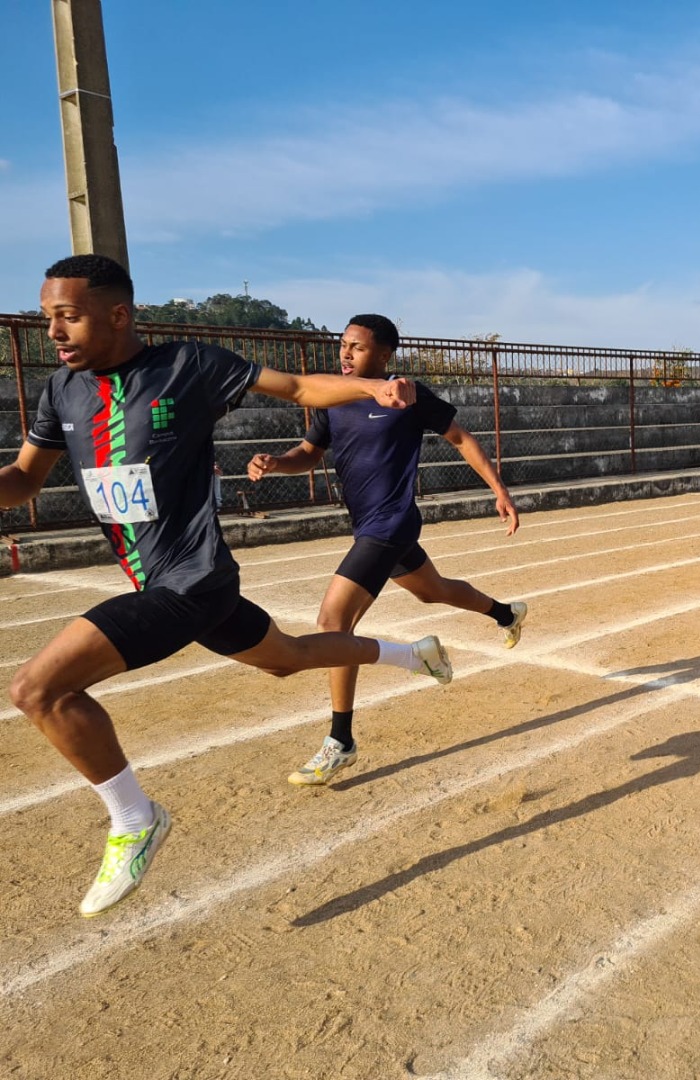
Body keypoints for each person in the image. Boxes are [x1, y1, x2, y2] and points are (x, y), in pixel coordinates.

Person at [2, 255, 455, 917]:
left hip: (191, 581)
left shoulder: (188, 366)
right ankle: (413, 654)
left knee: (38, 689)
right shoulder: (61, 391)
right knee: (287, 658)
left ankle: (134, 819)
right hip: (158, 579)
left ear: (118, 315)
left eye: (67, 316)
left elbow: (296, 387)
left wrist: (371, 389)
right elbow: (23, 479)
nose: (52, 331)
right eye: (47, 317)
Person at [247, 313, 525, 787]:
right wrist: (276, 462)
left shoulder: (408, 394)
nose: (345, 353)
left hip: (391, 523)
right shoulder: (333, 397)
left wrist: (499, 489)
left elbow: (460, 438)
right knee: (433, 590)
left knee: (333, 621)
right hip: (368, 526)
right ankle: (506, 614)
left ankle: (340, 740)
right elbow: (308, 454)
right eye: (343, 345)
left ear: (384, 354)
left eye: (356, 347)